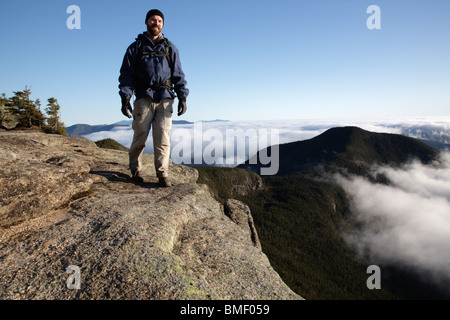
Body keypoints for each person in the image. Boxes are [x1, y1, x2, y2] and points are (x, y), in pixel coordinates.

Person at [118, 9, 189, 187]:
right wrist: (125, 96)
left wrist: (182, 96)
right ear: (146, 22)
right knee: (140, 135)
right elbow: (127, 74)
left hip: (165, 97)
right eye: (152, 20)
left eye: (158, 21)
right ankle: (135, 170)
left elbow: (178, 74)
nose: (155, 23)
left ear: (162, 24)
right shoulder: (135, 48)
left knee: (163, 138)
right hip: (143, 97)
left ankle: (162, 175)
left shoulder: (170, 47)